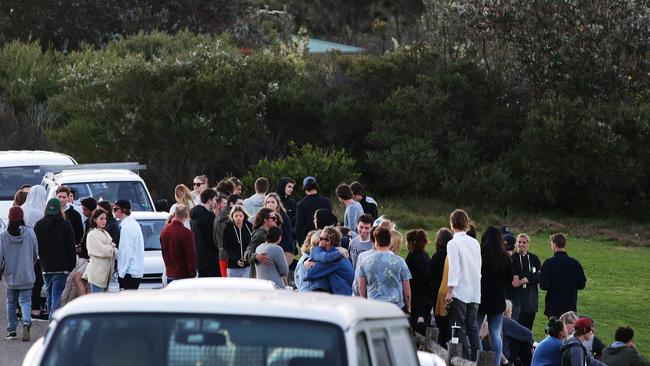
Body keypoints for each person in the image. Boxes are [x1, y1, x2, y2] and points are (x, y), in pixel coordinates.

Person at [445, 209, 481, 361]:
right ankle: (478, 359)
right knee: (472, 328)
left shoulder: (453, 243)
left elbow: (454, 268)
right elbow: (478, 266)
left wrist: (449, 291)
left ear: (452, 224)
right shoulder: (475, 242)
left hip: (459, 290)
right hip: (474, 290)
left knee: (459, 327)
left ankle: (465, 360)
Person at [34, 198, 76, 319]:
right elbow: (71, 247)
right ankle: (53, 322)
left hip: (45, 266)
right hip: (62, 267)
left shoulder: (39, 225)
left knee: (50, 294)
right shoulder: (66, 224)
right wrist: (71, 266)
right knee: (57, 295)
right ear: (59, 209)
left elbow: (36, 246)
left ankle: (51, 322)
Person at [1, 207, 38, 341]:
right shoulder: (30, 233)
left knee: (11, 302)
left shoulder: (3, 235)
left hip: (10, 276)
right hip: (27, 274)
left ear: (9, 218)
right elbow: (35, 253)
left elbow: (0, 258)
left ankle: (12, 330)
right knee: (25, 301)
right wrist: (29, 265)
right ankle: (26, 322)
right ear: (22, 217)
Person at [358, 226, 411, 312]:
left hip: (373, 307)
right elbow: (407, 289)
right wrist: (408, 306)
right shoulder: (400, 261)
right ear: (390, 241)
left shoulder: (365, 262)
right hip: (395, 307)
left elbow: (361, 287)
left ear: (376, 242)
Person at [540, 233, 587, 318]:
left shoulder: (548, 263)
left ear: (554, 245)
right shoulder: (575, 263)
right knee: (569, 330)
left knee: (554, 330)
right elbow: (581, 285)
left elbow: (543, 285)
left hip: (553, 306)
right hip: (570, 305)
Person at [20, 185, 47, 320]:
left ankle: (20, 307)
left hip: (21, 249)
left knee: (23, 278)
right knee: (36, 280)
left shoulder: (22, 208)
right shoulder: (39, 213)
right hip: (36, 251)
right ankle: (35, 307)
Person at [302, 226, 354, 295]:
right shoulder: (335, 254)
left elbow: (309, 274)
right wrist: (306, 261)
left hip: (345, 297)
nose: (318, 241)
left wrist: (310, 263)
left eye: (321, 238)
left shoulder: (334, 258)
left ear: (328, 241)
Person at [82, 209, 118, 293]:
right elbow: (104, 251)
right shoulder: (92, 234)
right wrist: (111, 247)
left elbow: (115, 252)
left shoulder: (105, 232)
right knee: (96, 301)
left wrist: (111, 248)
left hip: (106, 274)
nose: (104, 221)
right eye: (101, 219)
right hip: (97, 274)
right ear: (95, 219)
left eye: (105, 219)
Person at [512, 233, 542, 330]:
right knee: (517, 328)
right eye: (519, 242)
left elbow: (540, 275)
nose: (521, 244)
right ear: (516, 243)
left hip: (531, 300)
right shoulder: (513, 258)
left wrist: (527, 279)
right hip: (517, 300)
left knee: (528, 329)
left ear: (527, 244)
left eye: (524, 242)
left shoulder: (534, 258)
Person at [160, 204, 196, 284]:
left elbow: (164, 252)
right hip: (184, 276)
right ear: (186, 216)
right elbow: (191, 256)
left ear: (174, 214)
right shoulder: (187, 233)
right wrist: (193, 274)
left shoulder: (164, 231)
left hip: (170, 273)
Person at [114, 199, 144, 289]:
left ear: (123, 210)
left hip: (129, 272)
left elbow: (126, 252)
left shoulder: (126, 227)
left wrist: (121, 273)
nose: (114, 211)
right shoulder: (133, 223)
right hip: (134, 271)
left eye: (115, 209)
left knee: (127, 302)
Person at [405, 229, 432, 334]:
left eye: (407, 242)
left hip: (417, 300)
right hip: (418, 299)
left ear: (411, 243)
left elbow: (421, 285)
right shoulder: (422, 255)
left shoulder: (417, 259)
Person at [431, 227, 454, 346]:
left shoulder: (436, 257)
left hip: (438, 294)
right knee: (450, 325)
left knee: (440, 324)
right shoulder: (452, 256)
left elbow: (430, 276)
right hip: (451, 292)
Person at [244, 208, 281, 278]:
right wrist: (256, 257)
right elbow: (247, 253)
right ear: (265, 220)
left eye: (275, 218)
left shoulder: (270, 233)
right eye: (273, 218)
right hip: (259, 276)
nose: (275, 220)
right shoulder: (260, 235)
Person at [190, 189, 219, 277]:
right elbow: (212, 239)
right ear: (209, 200)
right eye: (214, 200)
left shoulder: (194, 216)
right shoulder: (207, 218)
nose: (215, 202)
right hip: (210, 259)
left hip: (199, 257)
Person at [295, 176, 331, 245]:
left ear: (305, 189)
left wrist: (301, 244)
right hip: (325, 239)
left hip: (310, 241)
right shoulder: (326, 201)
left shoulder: (301, 204)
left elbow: (299, 226)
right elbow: (330, 222)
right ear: (316, 186)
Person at [214, 194, 243, 277]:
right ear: (231, 204)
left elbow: (215, 238)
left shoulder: (217, 216)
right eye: (240, 204)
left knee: (226, 286)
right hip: (234, 258)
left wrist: (221, 248)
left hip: (222, 255)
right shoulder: (235, 218)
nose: (242, 207)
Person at [222, 205, 254, 278]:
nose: (238, 218)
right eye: (236, 216)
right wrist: (236, 259)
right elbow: (226, 246)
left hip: (247, 265)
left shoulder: (249, 227)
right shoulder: (228, 227)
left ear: (244, 216)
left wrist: (248, 257)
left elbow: (253, 244)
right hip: (233, 266)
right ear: (232, 216)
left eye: (240, 215)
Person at [264, 193, 295, 265]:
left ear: (277, 204)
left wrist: (276, 250)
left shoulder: (283, 217)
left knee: (281, 273)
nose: (270, 204)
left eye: (273, 202)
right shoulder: (264, 216)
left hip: (286, 250)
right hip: (270, 249)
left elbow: (288, 237)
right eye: (268, 202)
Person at [502, 299, 534, 366]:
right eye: (511, 310)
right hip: (504, 355)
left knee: (518, 337)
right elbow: (528, 334)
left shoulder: (494, 321)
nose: (511, 313)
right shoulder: (507, 321)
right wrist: (532, 345)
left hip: (500, 352)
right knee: (521, 340)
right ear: (507, 311)